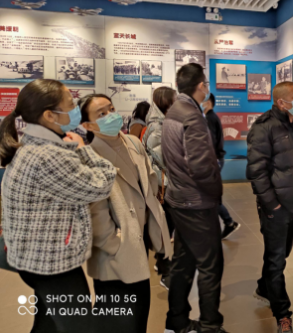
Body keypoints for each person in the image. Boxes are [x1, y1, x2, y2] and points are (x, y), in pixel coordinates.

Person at [0, 79, 117, 332]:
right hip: (50, 262)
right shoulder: (49, 155)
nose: (75, 109)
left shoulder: (32, 145)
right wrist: (84, 150)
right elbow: (101, 184)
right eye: (71, 104)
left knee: (48, 325)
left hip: (34, 255)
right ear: (49, 115)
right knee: (81, 325)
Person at [79, 93, 173, 333]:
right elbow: (94, 213)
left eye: (111, 109)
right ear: (88, 125)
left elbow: (149, 181)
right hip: (114, 252)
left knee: (139, 311)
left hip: (139, 241)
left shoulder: (133, 143)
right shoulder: (89, 157)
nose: (110, 116)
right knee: (118, 318)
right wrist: (116, 243)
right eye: (101, 114)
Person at [162, 63, 226, 333]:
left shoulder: (174, 111)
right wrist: (215, 192)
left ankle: (177, 319)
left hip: (179, 198)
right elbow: (201, 167)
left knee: (184, 261)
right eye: (206, 84)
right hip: (196, 202)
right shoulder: (192, 115)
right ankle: (210, 324)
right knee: (211, 265)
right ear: (201, 86)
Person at [246, 81, 293, 333]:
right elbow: (256, 172)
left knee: (280, 254)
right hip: (276, 208)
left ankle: (264, 287)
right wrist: (272, 205)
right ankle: (283, 314)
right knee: (276, 260)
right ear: (281, 102)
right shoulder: (264, 127)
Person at [143, 86, 178, 289]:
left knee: (167, 227)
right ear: (166, 102)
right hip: (164, 185)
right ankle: (166, 272)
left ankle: (162, 263)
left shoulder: (166, 123)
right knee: (166, 229)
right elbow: (165, 158)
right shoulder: (158, 126)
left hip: (168, 184)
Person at [201, 92, 241, 239]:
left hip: (213, 161)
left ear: (208, 102)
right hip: (215, 160)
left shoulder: (210, 118)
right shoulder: (211, 117)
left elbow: (210, 142)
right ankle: (226, 222)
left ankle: (228, 222)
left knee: (211, 196)